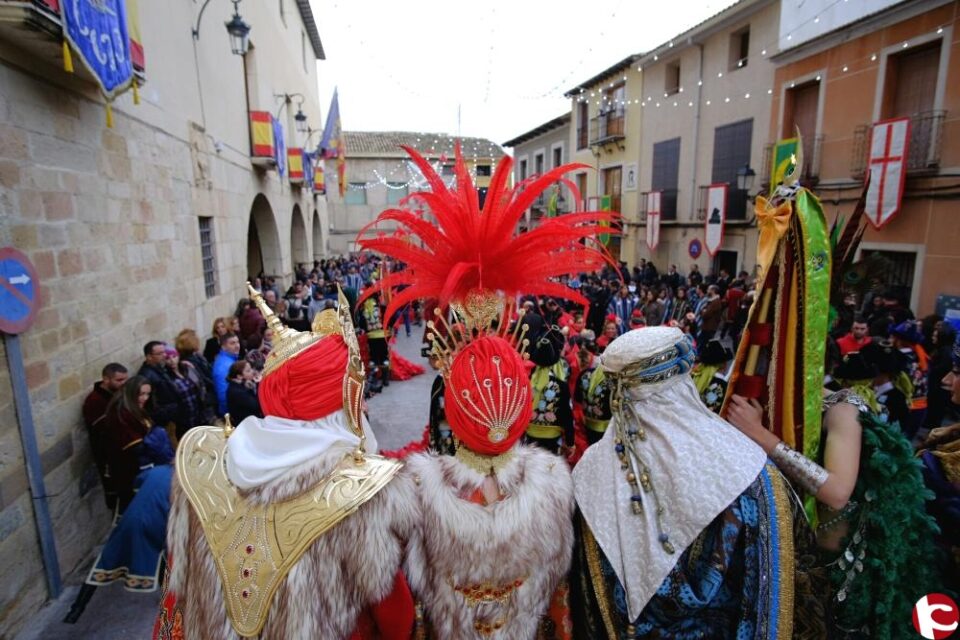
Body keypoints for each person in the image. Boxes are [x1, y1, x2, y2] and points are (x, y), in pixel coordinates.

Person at [358, 143, 613, 637]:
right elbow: (559, 599)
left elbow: (408, 607)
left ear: (452, 410)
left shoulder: (417, 495)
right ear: (520, 409)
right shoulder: (557, 488)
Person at [155, 286, 415, 639]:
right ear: (341, 401)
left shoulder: (204, 468)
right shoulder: (363, 492)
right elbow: (394, 617)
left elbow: (178, 596)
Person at [572, 327, 796, 637]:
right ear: (683, 377)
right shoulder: (746, 468)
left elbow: (586, 603)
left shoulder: (587, 474)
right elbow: (764, 600)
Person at [523, 315, 575, 455]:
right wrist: (570, 442)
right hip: (552, 438)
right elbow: (567, 414)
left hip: (528, 436)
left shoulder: (526, 381)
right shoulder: (561, 385)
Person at [82, 363, 129, 510]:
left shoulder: (116, 394)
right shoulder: (95, 401)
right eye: (119, 380)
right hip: (110, 455)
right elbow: (107, 429)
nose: (123, 384)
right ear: (106, 379)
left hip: (123, 452)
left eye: (125, 380)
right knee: (117, 496)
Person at [137, 341, 181, 430]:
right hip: (164, 420)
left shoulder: (159, 367)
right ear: (149, 357)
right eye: (160, 353)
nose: (165, 355)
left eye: (164, 352)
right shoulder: (146, 376)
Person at [164, 347, 206, 439]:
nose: (172, 361)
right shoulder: (167, 377)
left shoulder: (187, 368)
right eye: (167, 358)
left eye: (174, 356)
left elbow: (200, 383)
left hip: (199, 413)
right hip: (185, 420)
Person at [225, 360, 262, 425]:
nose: (252, 372)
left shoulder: (239, 384)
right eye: (248, 371)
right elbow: (257, 405)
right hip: (247, 426)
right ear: (239, 376)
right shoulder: (237, 392)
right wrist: (258, 385)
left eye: (251, 369)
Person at [212, 332, 240, 416]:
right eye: (232, 343)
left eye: (237, 342)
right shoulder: (223, 366)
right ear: (223, 347)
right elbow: (223, 395)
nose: (237, 346)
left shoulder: (231, 359)